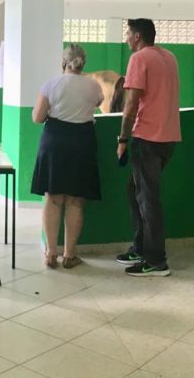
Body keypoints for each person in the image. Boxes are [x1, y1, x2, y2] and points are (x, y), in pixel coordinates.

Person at [116, 19, 181, 277]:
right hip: (168, 137)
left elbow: (131, 103)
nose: (126, 39)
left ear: (139, 36)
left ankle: (155, 260)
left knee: (147, 199)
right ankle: (140, 247)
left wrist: (123, 139)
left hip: (148, 137)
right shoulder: (169, 57)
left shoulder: (139, 59)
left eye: (128, 34)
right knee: (136, 191)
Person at [31, 44, 104, 269]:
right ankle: (70, 255)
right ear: (83, 63)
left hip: (54, 142)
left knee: (53, 197)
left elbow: (37, 117)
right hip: (82, 143)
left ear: (63, 62)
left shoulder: (51, 84)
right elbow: (99, 103)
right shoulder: (93, 85)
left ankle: (51, 253)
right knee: (75, 200)